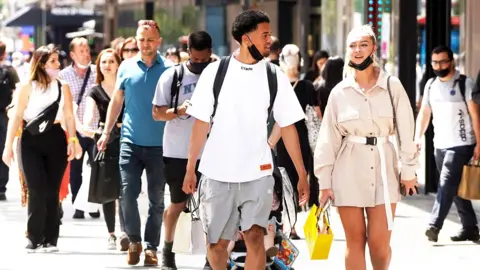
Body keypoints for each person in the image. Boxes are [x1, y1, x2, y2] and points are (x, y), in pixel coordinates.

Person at [182, 10, 309, 270]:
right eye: (264, 34)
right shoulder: (215, 73)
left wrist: (302, 174)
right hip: (217, 173)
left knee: (255, 238)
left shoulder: (275, 76)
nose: (270, 40)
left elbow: (288, 127)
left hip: (258, 172)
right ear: (246, 38)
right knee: (217, 245)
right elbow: (200, 123)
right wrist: (190, 168)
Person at [314, 24, 419, 270]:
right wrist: (324, 183)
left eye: (363, 44)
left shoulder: (392, 86)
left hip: (384, 169)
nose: (358, 50)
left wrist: (409, 172)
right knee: (355, 241)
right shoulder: (339, 92)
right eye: (352, 45)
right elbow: (327, 138)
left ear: (373, 47)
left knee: (379, 244)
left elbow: (406, 130)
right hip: (347, 170)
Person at [97, 19, 171, 267]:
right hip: (130, 141)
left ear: (158, 41)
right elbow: (116, 102)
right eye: (141, 39)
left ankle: (151, 247)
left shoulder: (169, 69)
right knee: (127, 193)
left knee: (157, 199)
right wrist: (106, 132)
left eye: (150, 39)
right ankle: (135, 241)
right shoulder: (126, 67)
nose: (145, 44)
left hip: (160, 145)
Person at [2, 45, 81, 251]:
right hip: (30, 140)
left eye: (57, 60)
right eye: (53, 61)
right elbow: (17, 116)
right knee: (36, 187)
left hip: (55, 138)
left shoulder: (62, 86)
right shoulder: (26, 86)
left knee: (52, 190)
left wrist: (72, 140)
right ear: (41, 64)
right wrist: (8, 146)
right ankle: (33, 235)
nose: (57, 65)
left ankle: (50, 238)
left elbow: (69, 115)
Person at [152, 30, 213, 270]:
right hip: (177, 152)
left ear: (210, 53)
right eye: (194, 59)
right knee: (177, 203)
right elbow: (157, 113)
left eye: (203, 59)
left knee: (212, 207)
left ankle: (212, 257)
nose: (198, 64)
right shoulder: (173, 76)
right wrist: (179, 110)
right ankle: (167, 251)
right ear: (188, 53)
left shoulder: (217, 76)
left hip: (211, 152)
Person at [415, 45, 480, 243]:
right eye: (435, 62)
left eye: (443, 61)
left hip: (461, 144)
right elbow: (424, 114)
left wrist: (479, 143)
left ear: (451, 61)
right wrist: (417, 138)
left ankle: (434, 224)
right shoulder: (430, 85)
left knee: (446, 183)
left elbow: (476, 116)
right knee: (453, 187)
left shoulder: (464, 83)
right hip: (439, 145)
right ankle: (470, 228)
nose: (439, 65)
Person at [269, 44, 318, 238]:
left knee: (298, 178)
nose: (291, 60)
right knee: (279, 179)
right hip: (277, 139)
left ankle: (293, 223)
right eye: (287, 56)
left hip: (300, 138)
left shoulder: (306, 86)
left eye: (294, 57)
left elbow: (316, 115)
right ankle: (281, 221)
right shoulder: (275, 83)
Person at [83, 48, 127, 250]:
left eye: (111, 61)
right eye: (103, 62)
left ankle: (126, 231)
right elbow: (89, 115)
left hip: (127, 138)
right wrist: (86, 124)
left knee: (126, 187)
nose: (107, 65)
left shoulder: (126, 87)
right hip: (104, 142)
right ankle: (112, 233)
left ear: (118, 64)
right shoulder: (94, 91)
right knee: (108, 189)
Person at [59, 37, 99, 219]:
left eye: (87, 51)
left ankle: (94, 203)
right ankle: (78, 205)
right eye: (81, 51)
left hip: (94, 129)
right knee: (76, 169)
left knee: (97, 166)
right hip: (74, 130)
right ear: (73, 55)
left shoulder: (97, 72)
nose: (86, 54)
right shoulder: (64, 76)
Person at [0, 41, 20, 201]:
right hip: (4, 114)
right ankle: (1, 187)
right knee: (3, 148)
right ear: (4, 54)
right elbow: (17, 92)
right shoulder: (10, 71)